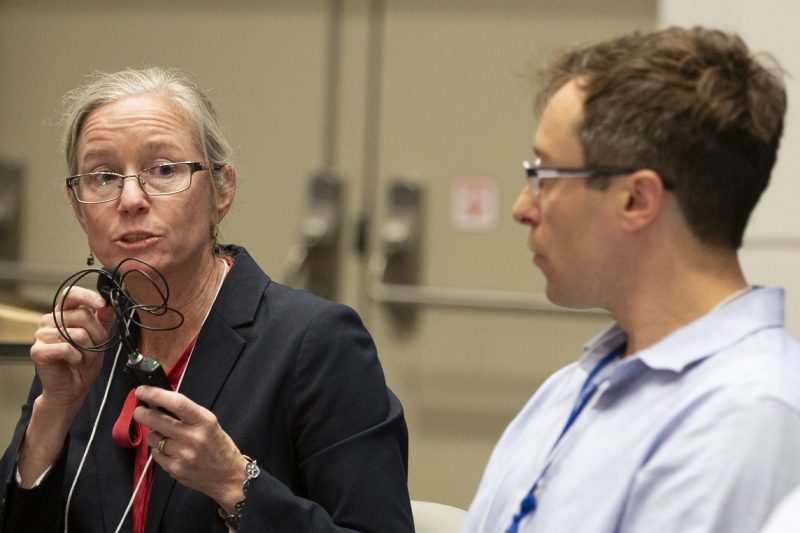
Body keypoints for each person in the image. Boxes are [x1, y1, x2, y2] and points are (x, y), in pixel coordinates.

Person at [0, 67, 414, 533]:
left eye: (164, 170)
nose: (131, 198)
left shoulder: (315, 343)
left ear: (222, 191)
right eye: (103, 176)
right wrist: (51, 417)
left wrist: (236, 483)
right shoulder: (85, 342)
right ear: (78, 208)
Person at [463, 26, 800, 533]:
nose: (522, 208)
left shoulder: (746, 415)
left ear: (635, 201)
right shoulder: (574, 386)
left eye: (545, 176)